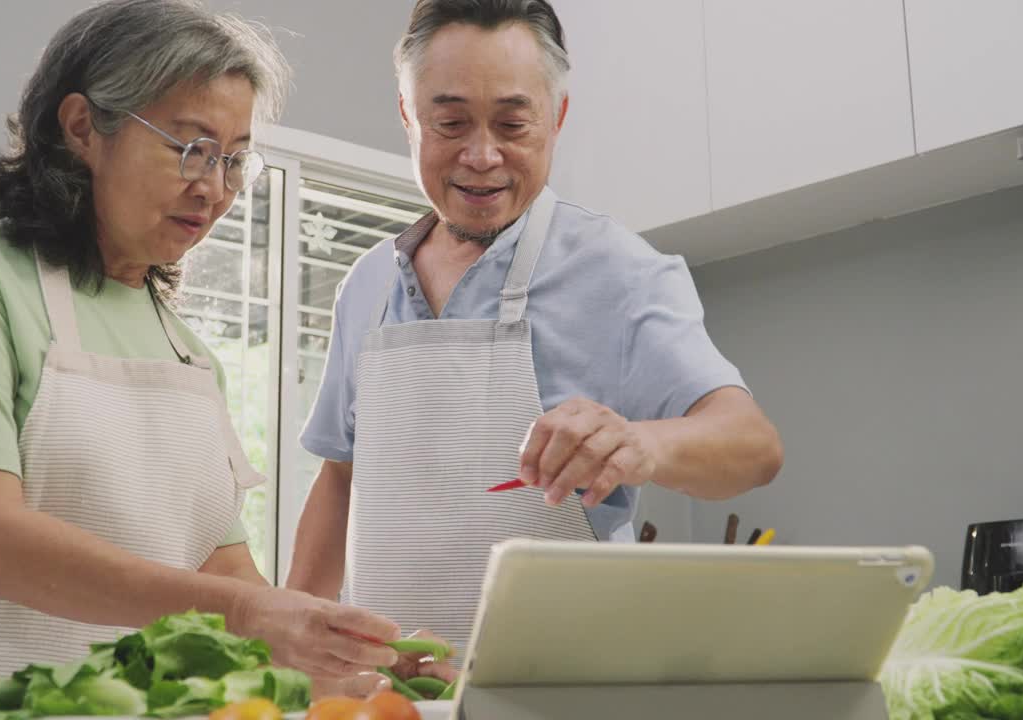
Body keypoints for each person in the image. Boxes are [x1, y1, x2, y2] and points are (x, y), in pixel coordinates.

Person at [0, 0, 400, 678]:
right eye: (192, 148)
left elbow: (218, 562)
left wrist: (342, 653)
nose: (215, 190)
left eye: (235, 161)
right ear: (83, 127)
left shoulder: (188, 354)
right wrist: (240, 613)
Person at [288, 0, 784, 675]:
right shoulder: (367, 284)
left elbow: (752, 447)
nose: (482, 156)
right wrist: (288, 648)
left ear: (557, 116)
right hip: (385, 696)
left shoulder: (621, 271)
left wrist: (642, 443)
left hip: (563, 689)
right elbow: (342, 480)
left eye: (513, 124)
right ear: (408, 116)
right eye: (450, 122)